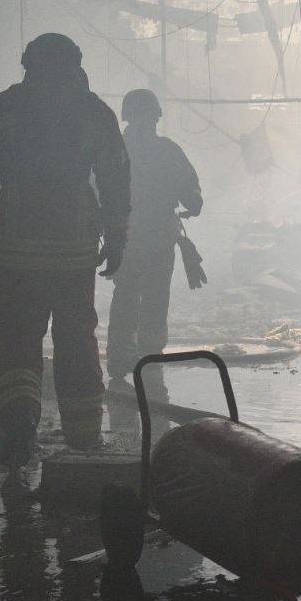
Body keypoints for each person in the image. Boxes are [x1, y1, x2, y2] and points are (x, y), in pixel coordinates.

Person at [0, 33, 130, 464]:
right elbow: (115, 178)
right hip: (74, 250)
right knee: (75, 337)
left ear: (27, 65)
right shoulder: (93, 111)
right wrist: (116, 236)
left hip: (15, 247)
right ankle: (84, 438)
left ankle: (19, 429)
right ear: (76, 66)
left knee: (17, 337)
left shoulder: (3, 108)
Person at [106, 89, 203, 383]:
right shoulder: (168, 151)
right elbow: (192, 196)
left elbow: (97, 190)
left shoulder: (114, 150)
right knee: (155, 297)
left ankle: (120, 359)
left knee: (126, 294)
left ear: (126, 116)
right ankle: (149, 360)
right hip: (158, 237)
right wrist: (192, 203)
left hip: (125, 236)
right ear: (156, 116)